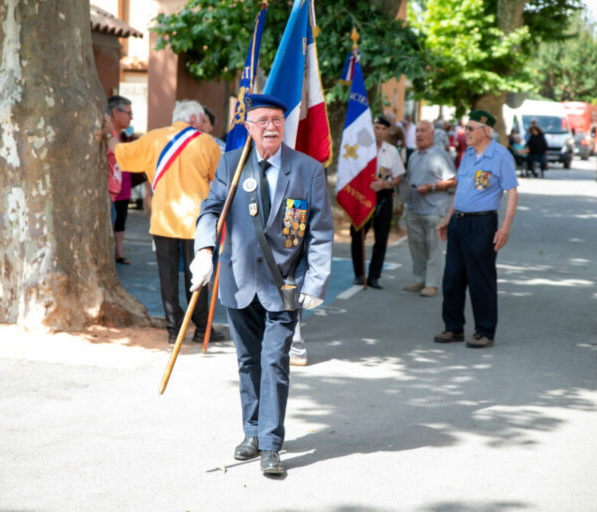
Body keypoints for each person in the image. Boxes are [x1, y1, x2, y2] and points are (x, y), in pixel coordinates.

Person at [189, 93, 333, 476]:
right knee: (248, 361)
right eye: (263, 120)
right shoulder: (233, 164)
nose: (271, 126)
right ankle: (251, 432)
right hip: (238, 282)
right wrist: (204, 249)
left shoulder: (307, 170)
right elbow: (211, 208)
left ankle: (271, 444)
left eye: (277, 119)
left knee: (274, 360)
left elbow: (319, 232)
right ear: (248, 127)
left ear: (284, 124)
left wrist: (316, 281)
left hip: (284, 285)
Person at [104, 99, 225, 344]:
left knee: (167, 275)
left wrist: (109, 135)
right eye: (201, 121)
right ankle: (202, 328)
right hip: (196, 221)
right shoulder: (206, 143)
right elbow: (219, 178)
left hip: (163, 219)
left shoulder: (153, 138)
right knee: (199, 275)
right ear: (193, 119)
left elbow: (122, 155)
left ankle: (174, 330)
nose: (202, 125)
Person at [434, 110, 518, 349]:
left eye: (470, 128)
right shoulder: (469, 154)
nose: (465, 133)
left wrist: (505, 228)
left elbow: (512, 192)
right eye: (465, 128)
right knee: (452, 277)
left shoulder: (501, 156)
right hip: (459, 222)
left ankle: (485, 331)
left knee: (481, 278)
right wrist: (448, 219)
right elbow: (460, 190)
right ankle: (453, 327)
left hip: (481, 224)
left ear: (485, 131)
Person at [350, 115, 406, 289]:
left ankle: (374, 276)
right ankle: (359, 274)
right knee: (358, 235)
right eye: (376, 128)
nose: (380, 132)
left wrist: (386, 184)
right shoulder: (360, 149)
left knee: (381, 239)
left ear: (387, 131)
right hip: (362, 196)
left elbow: (397, 177)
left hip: (383, 197)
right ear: (371, 129)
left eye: (383, 129)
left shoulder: (391, 151)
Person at [403, 121, 457, 297]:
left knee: (433, 248)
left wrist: (431, 187)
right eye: (417, 131)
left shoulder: (440, 155)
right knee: (416, 247)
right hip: (413, 209)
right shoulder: (413, 156)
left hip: (434, 210)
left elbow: (453, 181)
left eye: (423, 131)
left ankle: (432, 284)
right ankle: (420, 279)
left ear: (432, 134)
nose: (419, 134)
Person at [106, 95, 134, 264]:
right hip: (107, 194)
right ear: (116, 112)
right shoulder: (108, 133)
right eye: (128, 113)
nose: (131, 117)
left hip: (116, 193)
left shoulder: (117, 134)